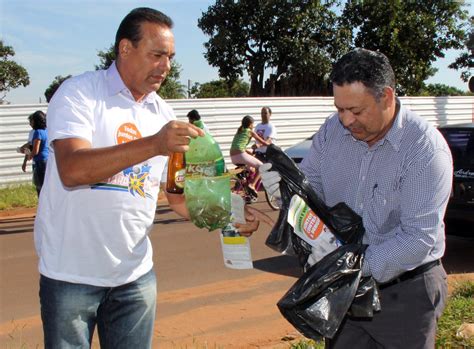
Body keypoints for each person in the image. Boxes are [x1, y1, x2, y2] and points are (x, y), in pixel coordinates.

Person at [34, 8, 261, 348]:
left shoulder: (163, 114)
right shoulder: (80, 93)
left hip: (135, 278)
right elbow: (72, 169)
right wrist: (155, 144)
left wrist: (229, 217)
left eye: (169, 57)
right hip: (70, 276)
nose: (166, 67)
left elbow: (179, 199)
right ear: (125, 48)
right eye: (156, 55)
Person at [261, 49, 452, 348]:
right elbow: (314, 192)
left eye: (357, 111)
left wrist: (349, 266)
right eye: (340, 109)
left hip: (406, 292)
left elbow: (418, 238)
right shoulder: (332, 131)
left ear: (387, 97)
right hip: (345, 292)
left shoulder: (424, 151)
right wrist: (287, 191)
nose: (347, 121)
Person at [230, 115, 269, 192]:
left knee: (251, 169)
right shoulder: (250, 131)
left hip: (233, 157)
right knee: (262, 166)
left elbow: (239, 146)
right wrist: (270, 144)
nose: (253, 126)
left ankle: (241, 186)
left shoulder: (239, 131)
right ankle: (252, 185)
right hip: (241, 155)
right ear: (250, 124)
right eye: (253, 124)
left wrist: (249, 153)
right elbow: (262, 141)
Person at [27, 110, 48, 196]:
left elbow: (36, 150)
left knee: (40, 186)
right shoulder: (45, 131)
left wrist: (30, 156)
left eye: (32, 120)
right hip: (46, 160)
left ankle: (43, 206)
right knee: (46, 185)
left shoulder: (37, 132)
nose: (30, 122)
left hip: (40, 162)